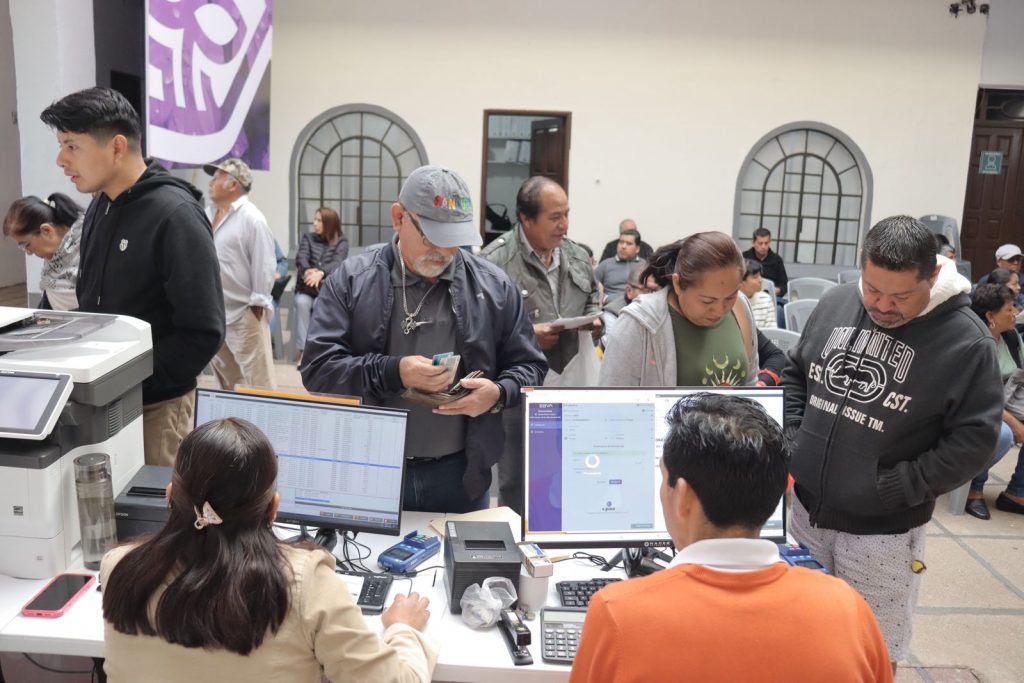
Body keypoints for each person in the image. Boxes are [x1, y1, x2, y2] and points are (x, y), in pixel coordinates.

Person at [782, 216, 1003, 667]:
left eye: (900, 296)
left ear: (933, 276)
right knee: (801, 638)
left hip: (883, 532)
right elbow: (795, 373)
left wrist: (897, 487)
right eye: (872, 289)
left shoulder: (966, 342)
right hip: (805, 514)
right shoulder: (837, 302)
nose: (881, 306)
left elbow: (975, 439)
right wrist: (795, 438)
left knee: (873, 649)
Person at [569, 393, 893, 683]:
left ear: (683, 497)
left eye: (664, 478)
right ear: (778, 491)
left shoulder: (618, 614)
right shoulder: (848, 608)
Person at [100, 418, 436, 682]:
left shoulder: (117, 566)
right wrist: (402, 629)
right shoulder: (306, 584)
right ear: (273, 509)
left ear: (170, 495)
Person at [300, 165, 546, 513]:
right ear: (398, 217)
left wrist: (498, 393)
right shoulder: (352, 280)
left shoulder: (493, 286)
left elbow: (530, 365)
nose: (444, 252)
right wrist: (394, 371)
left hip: (460, 475)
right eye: (432, 237)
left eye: (454, 239)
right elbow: (318, 370)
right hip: (368, 468)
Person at [41, 87, 224, 467]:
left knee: (150, 503)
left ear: (117, 147)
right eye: (61, 146)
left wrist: (129, 379)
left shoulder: (175, 215)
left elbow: (202, 333)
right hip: (101, 399)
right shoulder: (100, 207)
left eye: (72, 146)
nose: (61, 160)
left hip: (156, 408)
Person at [481, 176, 601, 514]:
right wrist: (528, 335)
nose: (564, 225)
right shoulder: (494, 262)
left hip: (572, 378)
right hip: (519, 386)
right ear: (526, 218)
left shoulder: (576, 254)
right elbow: (478, 330)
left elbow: (592, 298)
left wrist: (594, 321)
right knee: (518, 477)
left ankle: (564, 532)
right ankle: (519, 537)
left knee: (575, 466)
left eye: (567, 214)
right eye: (555, 217)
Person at [599, 231, 761, 388]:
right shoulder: (640, 322)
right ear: (678, 284)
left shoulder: (740, 306)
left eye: (730, 297)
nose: (720, 311)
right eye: (707, 301)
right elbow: (613, 397)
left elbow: (750, 383)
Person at [203, 158, 277, 392]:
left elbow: (264, 263)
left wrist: (257, 303)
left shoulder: (252, 218)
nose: (211, 182)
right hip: (215, 314)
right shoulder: (207, 214)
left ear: (233, 184)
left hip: (244, 313)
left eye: (217, 178)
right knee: (227, 383)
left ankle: (263, 418)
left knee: (259, 384)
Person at [964, 284, 1024, 519]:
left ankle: (1016, 493)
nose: (1015, 313)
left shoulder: (1012, 338)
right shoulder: (971, 341)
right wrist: (1014, 422)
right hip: (970, 408)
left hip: (1004, 402)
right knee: (1002, 434)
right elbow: (977, 394)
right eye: (1009, 309)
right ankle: (973, 488)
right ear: (990, 316)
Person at [2, 193, 84, 310]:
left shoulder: (89, 251)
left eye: (26, 245)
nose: (28, 252)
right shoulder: (55, 263)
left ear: (47, 230)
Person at [294, 206, 349, 366]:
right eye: (315, 219)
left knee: (321, 306)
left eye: (319, 220)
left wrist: (321, 273)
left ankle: (317, 351)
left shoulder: (341, 242)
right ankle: (304, 352)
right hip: (306, 288)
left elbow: (338, 262)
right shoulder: (308, 238)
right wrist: (307, 271)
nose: (315, 223)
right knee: (301, 303)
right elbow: (302, 257)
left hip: (327, 290)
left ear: (329, 223)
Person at [593, 228, 645, 302]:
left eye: (628, 244)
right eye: (621, 242)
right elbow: (592, 287)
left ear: (637, 249)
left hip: (636, 305)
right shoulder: (605, 264)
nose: (623, 246)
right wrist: (604, 298)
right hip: (610, 305)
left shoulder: (644, 265)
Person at [742, 227, 789, 298]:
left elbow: (784, 284)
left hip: (770, 297)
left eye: (766, 243)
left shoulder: (777, 260)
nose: (763, 246)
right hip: (748, 296)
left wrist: (778, 290)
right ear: (753, 243)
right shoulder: (744, 257)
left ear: (770, 242)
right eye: (760, 243)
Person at [739, 258, 777, 330]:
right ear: (741, 282)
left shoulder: (766, 299)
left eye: (760, 275)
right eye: (755, 277)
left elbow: (772, 331)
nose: (760, 280)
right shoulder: (732, 301)